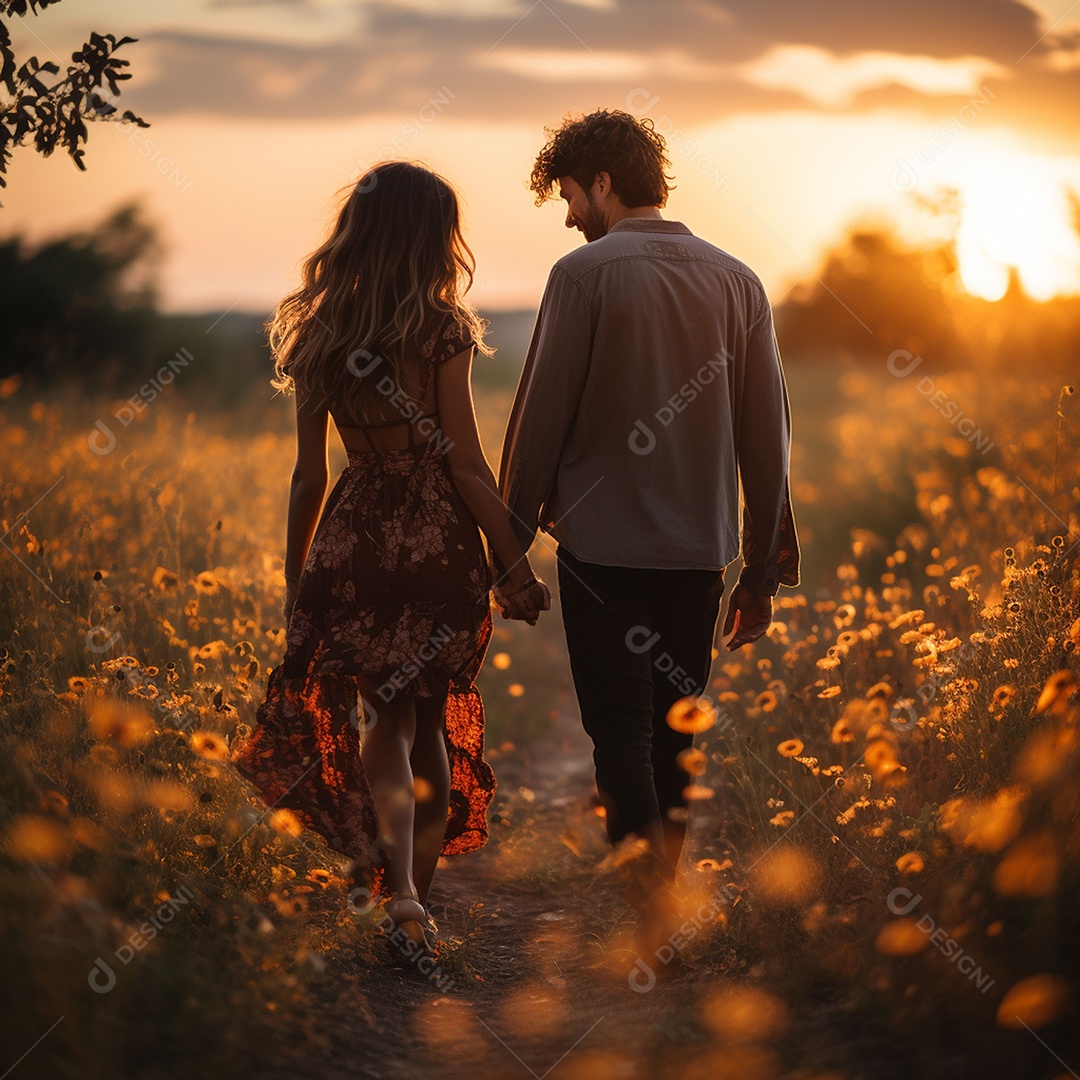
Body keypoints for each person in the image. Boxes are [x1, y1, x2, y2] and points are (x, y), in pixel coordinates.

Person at [230, 160, 550, 955]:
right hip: (437, 541)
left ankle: (398, 890)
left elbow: (310, 474)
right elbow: (467, 467)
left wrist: (295, 573)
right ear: (435, 237)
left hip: (356, 539)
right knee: (430, 720)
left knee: (383, 715)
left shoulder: (319, 332)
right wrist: (513, 566)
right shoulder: (442, 329)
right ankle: (417, 908)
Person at [498, 109, 800, 924]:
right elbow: (768, 433)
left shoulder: (582, 275)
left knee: (620, 732)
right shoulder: (740, 280)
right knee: (675, 735)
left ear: (603, 182)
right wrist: (762, 572)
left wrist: (506, 550)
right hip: (700, 556)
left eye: (568, 196)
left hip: (601, 554)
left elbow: (539, 421)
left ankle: (649, 910)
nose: (568, 217)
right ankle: (661, 905)